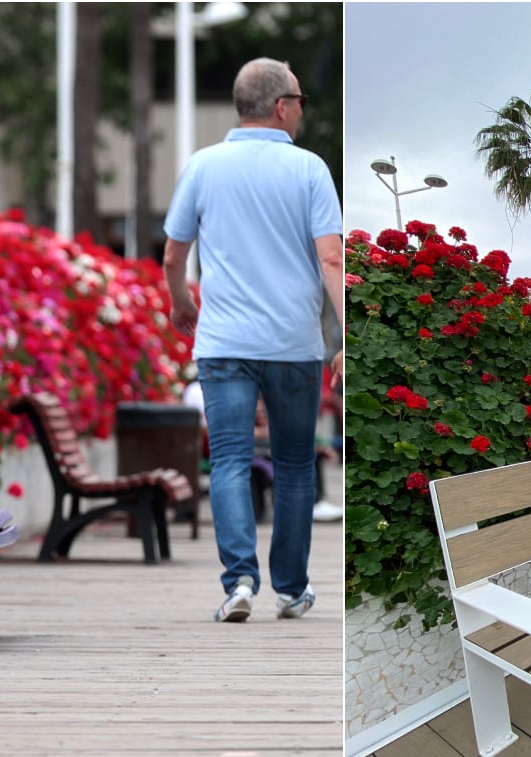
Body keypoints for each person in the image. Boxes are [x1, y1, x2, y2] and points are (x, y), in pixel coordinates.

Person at [163, 57, 344, 623]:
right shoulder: (310, 169)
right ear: (281, 107)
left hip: (223, 344)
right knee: (293, 465)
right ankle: (290, 589)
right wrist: (347, 335)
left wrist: (181, 302)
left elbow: (173, 254)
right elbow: (332, 257)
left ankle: (239, 582)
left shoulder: (202, 165)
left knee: (232, 461)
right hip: (293, 345)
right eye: (300, 101)